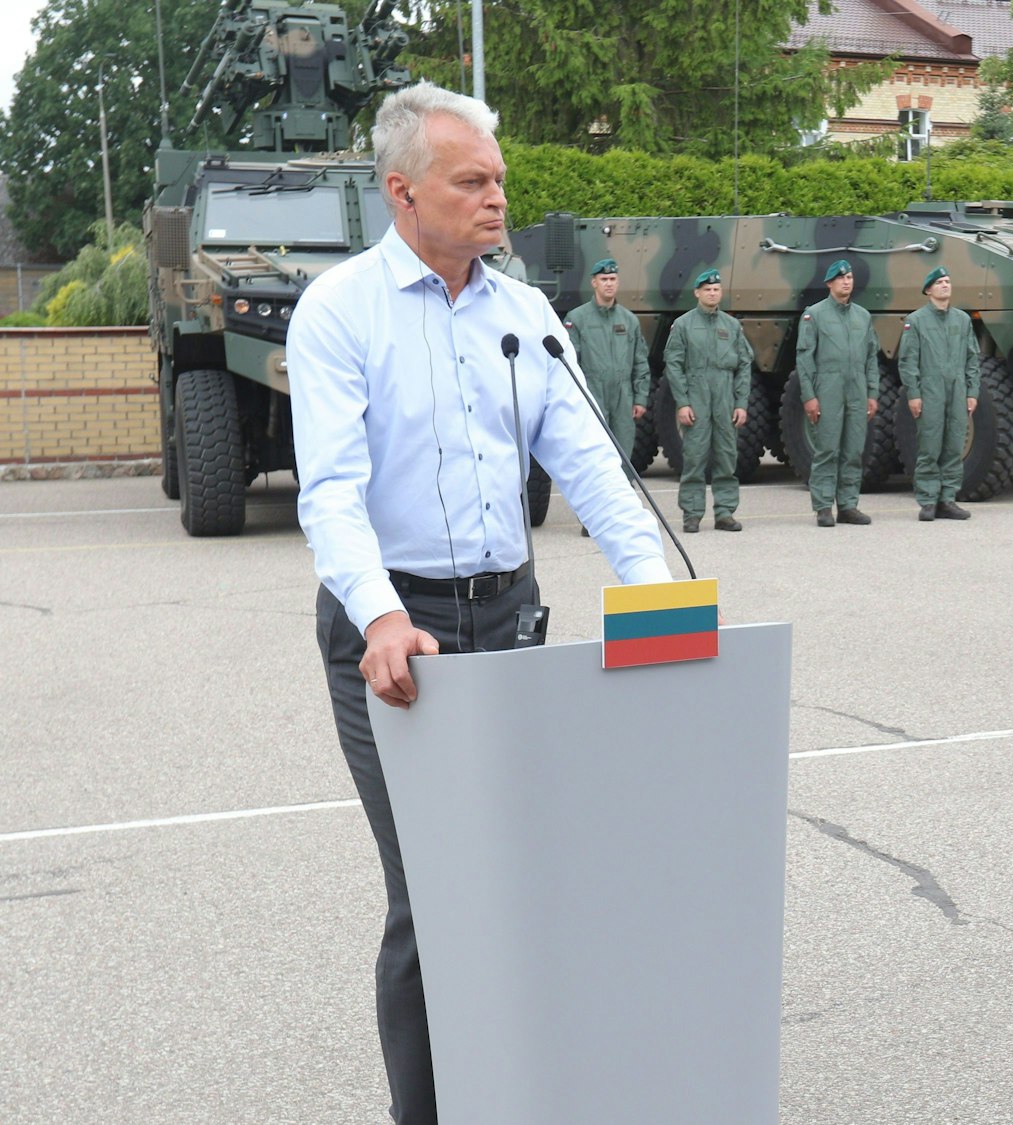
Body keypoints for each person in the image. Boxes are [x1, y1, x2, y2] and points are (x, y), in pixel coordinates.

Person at [287, 82, 677, 1125]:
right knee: (433, 894)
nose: (497, 198)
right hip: (394, 640)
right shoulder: (339, 312)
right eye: (472, 181)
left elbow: (596, 471)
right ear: (403, 193)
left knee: (522, 878)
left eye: (499, 178)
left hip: (508, 626)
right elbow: (328, 493)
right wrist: (377, 616)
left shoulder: (525, 316)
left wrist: (665, 600)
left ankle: (520, 1093)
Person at [565, 257, 651, 535]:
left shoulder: (628, 320)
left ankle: (619, 517)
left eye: (613, 279)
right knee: (594, 459)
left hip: (623, 396)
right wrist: (577, 400)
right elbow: (569, 363)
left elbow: (640, 361)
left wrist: (640, 397)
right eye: (604, 279)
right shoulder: (576, 319)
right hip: (592, 395)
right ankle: (591, 519)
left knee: (623, 458)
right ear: (594, 283)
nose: (609, 284)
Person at [663, 268, 751, 533]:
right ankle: (692, 513)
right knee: (694, 457)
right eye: (708, 289)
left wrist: (741, 403)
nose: (713, 293)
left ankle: (725, 512)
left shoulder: (732, 326)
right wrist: (683, 402)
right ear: (697, 293)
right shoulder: (683, 324)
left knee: (726, 457)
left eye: (716, 289)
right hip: (697, 396)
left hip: (725, 397)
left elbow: (744, 365)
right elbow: (674, 365)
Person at [794, 259, 879, 527]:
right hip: (828, 389)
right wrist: (809, 396)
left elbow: (871, 358)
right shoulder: (814, 315)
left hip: (857, 389)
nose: (846, 281)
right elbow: (804, 358)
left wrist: (872, 393)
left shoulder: (863, 316)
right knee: (827, 449)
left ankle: (848, 505)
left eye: (850, 277)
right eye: (841, 278)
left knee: (853, 450)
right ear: (830, 283)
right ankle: (822, 507)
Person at [898, 266, 980, 521]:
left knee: (954, 446)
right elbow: (908, 361)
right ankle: (927, 501)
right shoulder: (917, 320)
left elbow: (972, 359)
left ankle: (948, 499)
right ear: (928, 290)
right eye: (940, 282)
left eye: (948, 281)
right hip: (930, 391)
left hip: (957, 391)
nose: (946, 285)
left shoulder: (962, 320)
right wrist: (913, 394)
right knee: (930, 447)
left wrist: (972, 391)